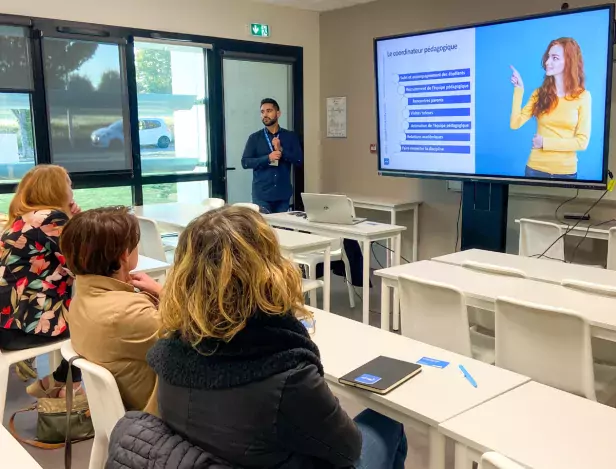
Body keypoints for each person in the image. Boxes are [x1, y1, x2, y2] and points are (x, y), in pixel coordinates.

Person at [147, 206, 407, 469]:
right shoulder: (287, 376)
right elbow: (348, 450)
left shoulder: (168, 352)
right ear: (270, 266)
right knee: (388, 421)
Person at [60, 207, 160, 413]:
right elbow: (189, 339)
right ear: (124, 255)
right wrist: (163, 291)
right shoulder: (129, 312)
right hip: (151, 414)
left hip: (114, 411)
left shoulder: (80, 300)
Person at [0, 164, 82, 397]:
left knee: (83, 317)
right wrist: (73, 220)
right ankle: (63, 388)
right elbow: (82, 264)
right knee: (93, 325)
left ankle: (58, 384)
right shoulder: (50, 219)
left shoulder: (23, 219)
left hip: (8, 323)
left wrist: (73, 220)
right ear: (55, 189)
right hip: (24, 326)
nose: (71, 188)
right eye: (68, 183)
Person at [510, 37, 591, 179]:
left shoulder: (583, 96)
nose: (547, 62)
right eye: (548, 57)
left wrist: (545, 143)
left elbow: (582, 142)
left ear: (569, 61)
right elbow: (515, 123)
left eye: (554, 58)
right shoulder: (539, 94)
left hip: (567, 172)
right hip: (535, 168)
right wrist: (519, 90)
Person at [241, 98, 303, 214]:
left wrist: (281, 150)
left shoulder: (290, 137)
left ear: (278, 113)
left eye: (269, 111)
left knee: (281, 229)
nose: (265, 115)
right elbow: (245, 162)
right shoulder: (254, 138)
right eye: (262, 112)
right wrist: (268, 158)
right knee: (264, 229)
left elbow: (299, 160)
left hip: (282, 195)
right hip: (261, 195)